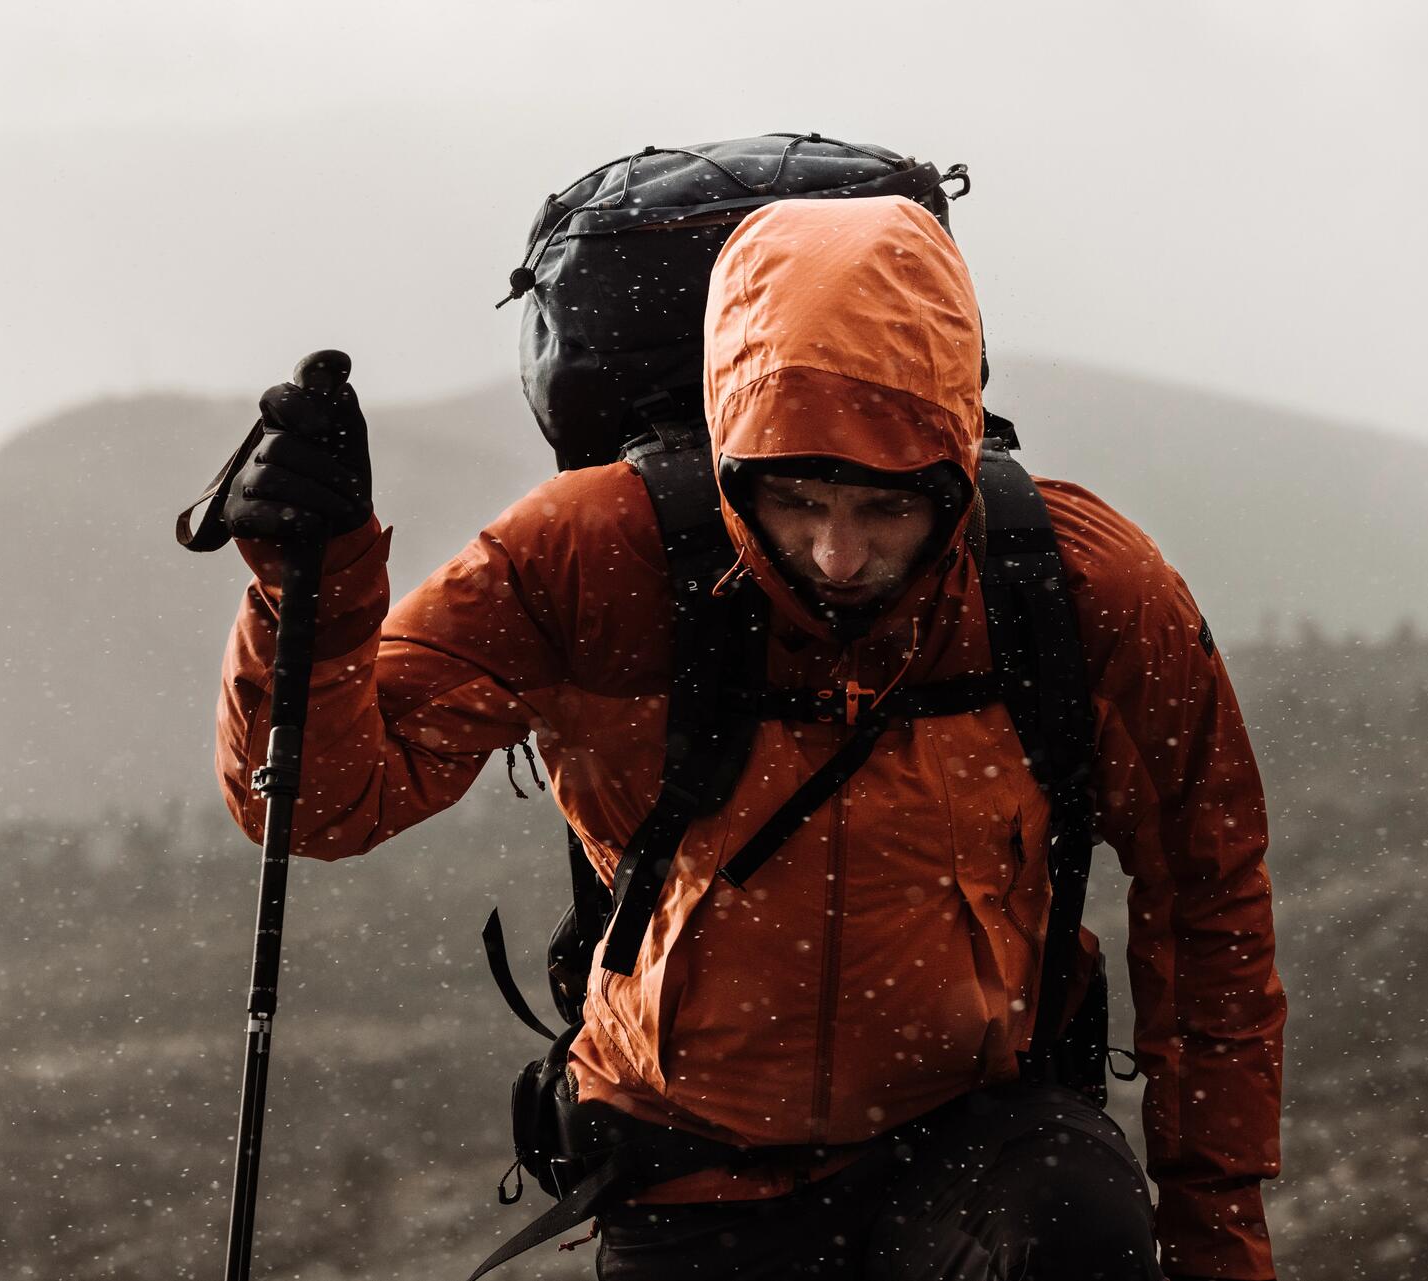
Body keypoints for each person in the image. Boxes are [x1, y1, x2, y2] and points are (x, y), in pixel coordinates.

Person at [212, 195, 1284, 1280]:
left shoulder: (1073, 584)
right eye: (798, 499)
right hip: (686, 1170)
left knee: (1072, 1233)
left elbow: (1209, 899)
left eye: (888, 510)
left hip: (980, 1152)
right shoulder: (595, 553)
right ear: (732, 452)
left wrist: (1216, 1241)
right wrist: (320, 585)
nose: (836, 553)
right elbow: (315, 804)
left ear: (955, 466)